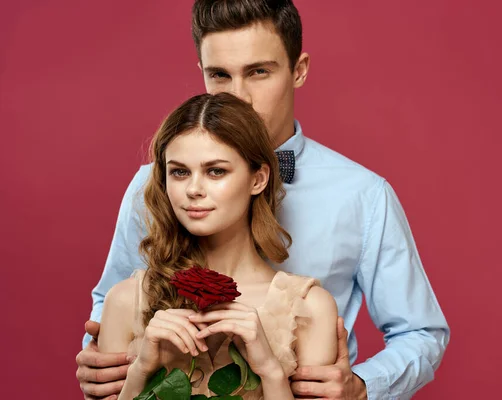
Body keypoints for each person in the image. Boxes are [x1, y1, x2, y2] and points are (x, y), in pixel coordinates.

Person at [76, 1, 450, 399]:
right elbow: (117, 296)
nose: (239, 96)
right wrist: (100, 361)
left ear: (299, 70)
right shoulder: (155, 182)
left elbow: (421, 332)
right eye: (220, 75)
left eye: (258, 72)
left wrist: (363, 387)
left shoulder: (363, 195)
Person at [97, 92, 338, 399]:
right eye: (180, 172)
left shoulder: (309, 308)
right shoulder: (125, 300)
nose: (194, 190)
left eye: (216, 171)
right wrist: (141, 369)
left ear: (258, 179)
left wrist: (270, 371)